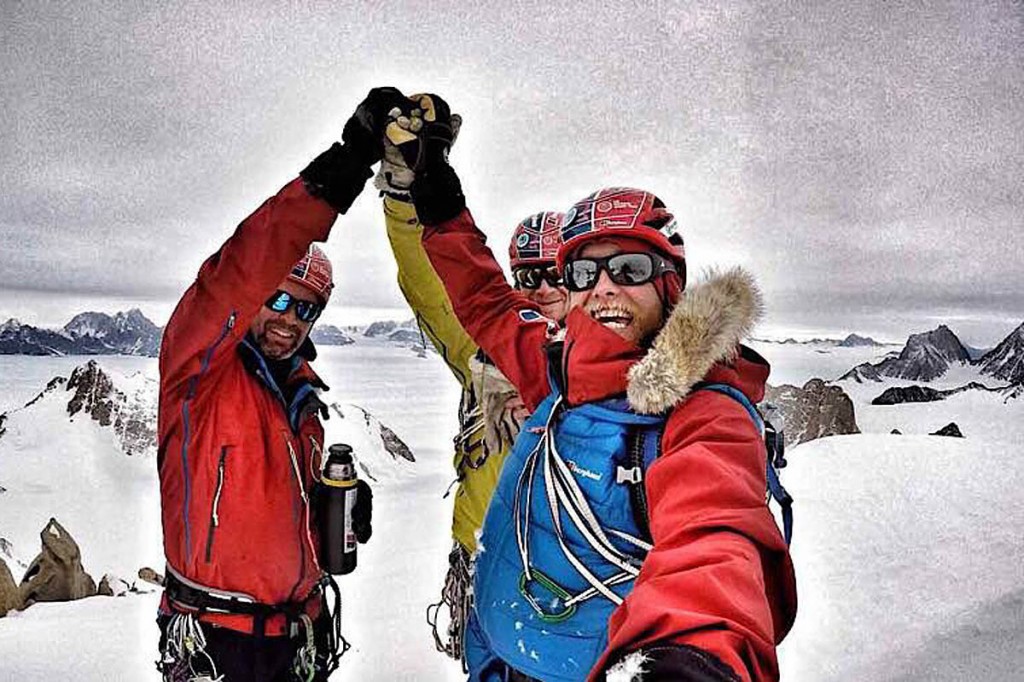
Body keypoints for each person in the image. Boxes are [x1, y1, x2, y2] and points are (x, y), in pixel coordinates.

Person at [389, 96, 798, 681]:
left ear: (670, 286)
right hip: (498, 664)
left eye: (628, 269)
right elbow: (482, 297)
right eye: (584, 272)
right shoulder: (558, 371)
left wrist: (688, 662)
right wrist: (436, 197)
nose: (604, 288)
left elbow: (715, 541)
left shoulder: (706, 414)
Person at [155, 88, 409, 682]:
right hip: (216, 642)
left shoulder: (302, 399)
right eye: (278, 300)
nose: (291, 319)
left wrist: (330, 518)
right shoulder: (198, 376)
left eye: (308, 310)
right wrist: (346, 165)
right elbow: (247, 262)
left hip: (301, 637)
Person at [375, 106, 569, 663]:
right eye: (528, 276)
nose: (543, 287)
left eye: (557, 272)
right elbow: (431, 285)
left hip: (571, 585)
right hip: (484, 560)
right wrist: (405, 198)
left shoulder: (606, 373)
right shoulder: (484, 350)